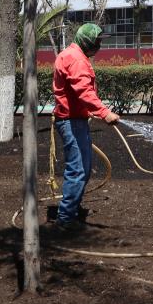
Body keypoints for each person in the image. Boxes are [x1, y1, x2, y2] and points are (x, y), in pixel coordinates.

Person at [52, 23, 120, 232]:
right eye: (98, 41)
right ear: (88, 42)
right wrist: (104, 112)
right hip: (71, 121)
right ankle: (65, 219)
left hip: (75, 120)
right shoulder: (75, 59)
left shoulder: (74, 55)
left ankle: (72, 209)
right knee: (78, 169)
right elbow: (84, 92)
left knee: (83, 168)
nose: (99, 45)